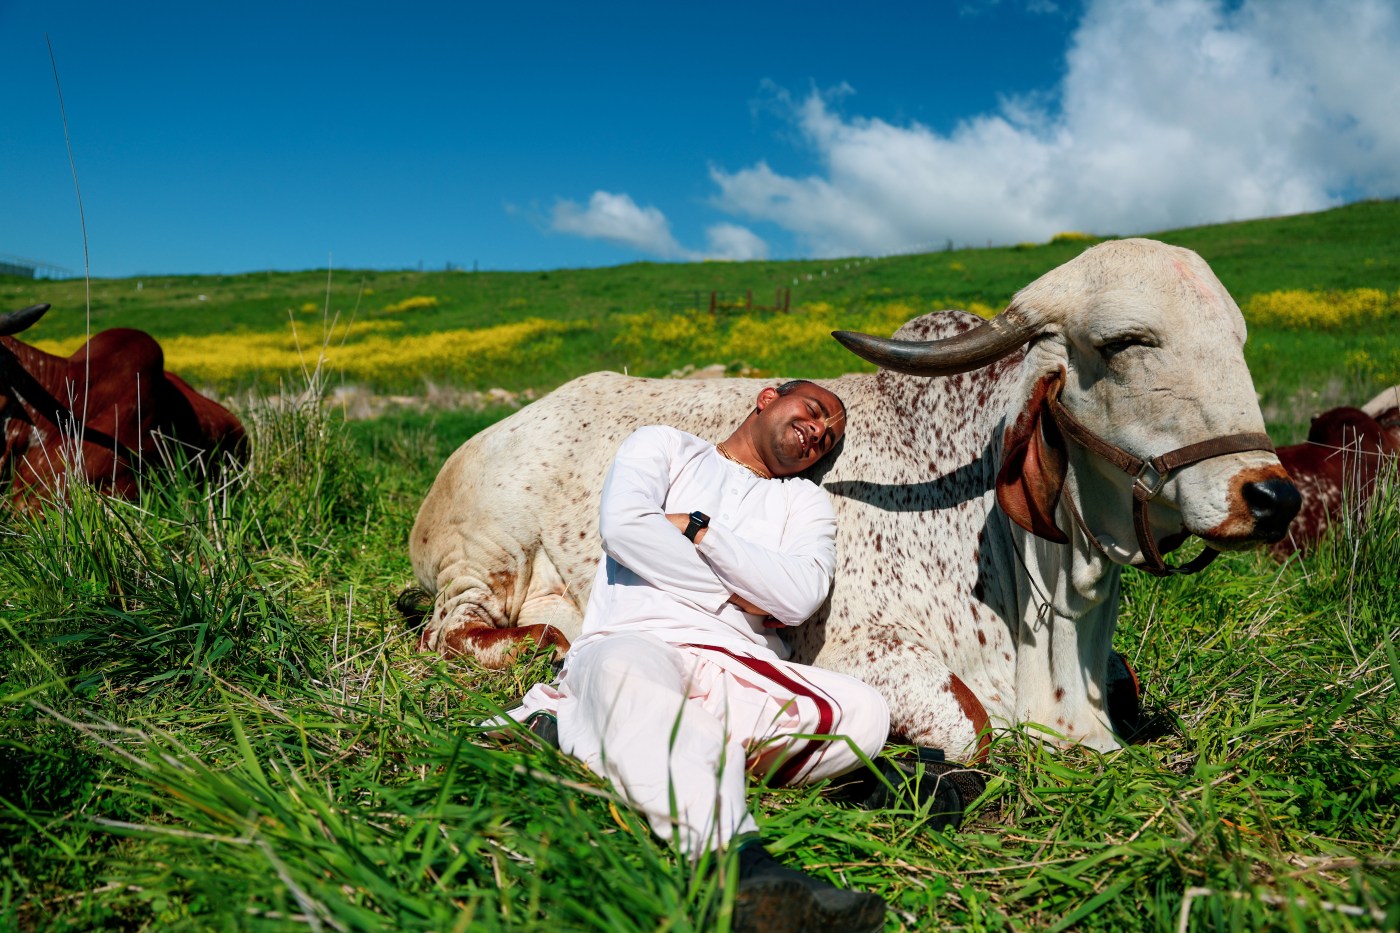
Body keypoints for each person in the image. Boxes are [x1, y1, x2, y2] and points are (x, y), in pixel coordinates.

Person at [505, 379, 895, 931]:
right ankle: (735, 865)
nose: (818, 432)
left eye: (829, 437)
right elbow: (626, 530)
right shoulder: (664, 446)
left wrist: (698, 530)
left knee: (867, 713)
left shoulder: (803, 501)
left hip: (740, 663)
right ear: (767, 397)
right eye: (813, 410)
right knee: (624, 675)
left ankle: (585, 727)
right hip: (639, 636)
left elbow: (800, 596)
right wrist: (740, 596)